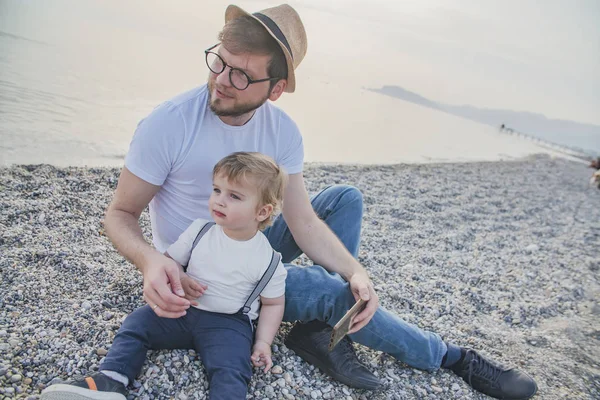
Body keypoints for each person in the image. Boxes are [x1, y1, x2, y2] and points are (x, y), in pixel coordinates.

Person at [42, 4, 538, 400]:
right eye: (220, 61)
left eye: (241, 75)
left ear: (275, 89)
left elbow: (300, 219)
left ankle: (316, 331)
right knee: (332, 292)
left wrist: (355, 270)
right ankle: (452, 357)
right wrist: (151, 261)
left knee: (344, 200)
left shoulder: (282, 131)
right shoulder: (169, 123)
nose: (220, 80)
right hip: (203, 269)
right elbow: (119, 214)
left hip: (251, 241)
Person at [42, 152, 289, 399]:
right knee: (137, 324)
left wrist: (263, 342)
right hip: (183, 310)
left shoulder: (268, 260)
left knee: (232, 367)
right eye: (216, 190)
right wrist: (180, 278)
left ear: (262, 212)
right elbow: (170, 262)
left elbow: (273, 303)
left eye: (234, 196)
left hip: (228, 323)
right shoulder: (199, 231)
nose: (219, 201)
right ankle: (111, 380)